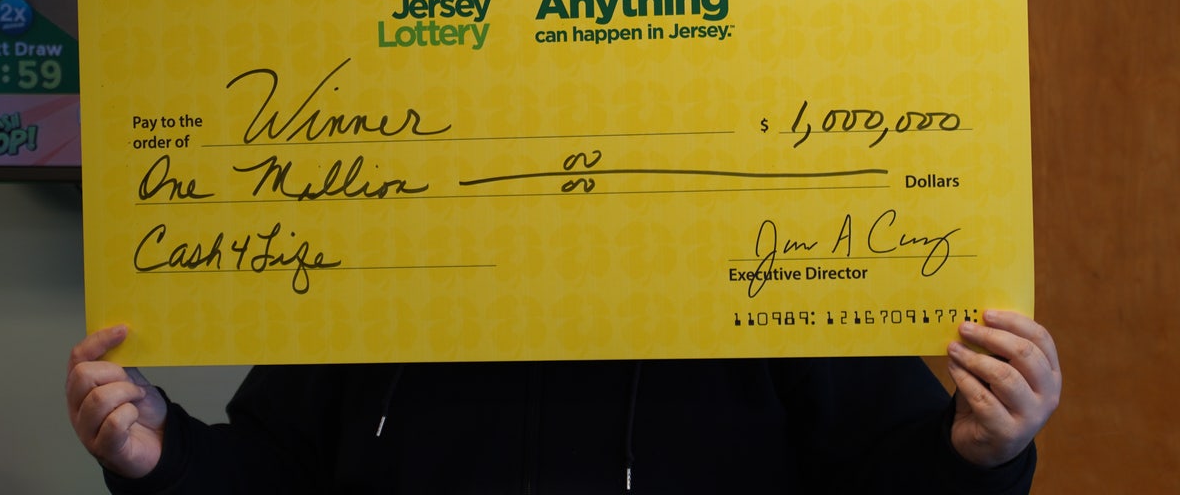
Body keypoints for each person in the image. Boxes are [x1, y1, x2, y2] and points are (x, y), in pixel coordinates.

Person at [66, 310, 1060, 494]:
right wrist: (165, 457)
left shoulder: (774, 282)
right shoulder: (378, 285)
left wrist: (979, 453)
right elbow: (272, 472)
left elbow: (889, 473)